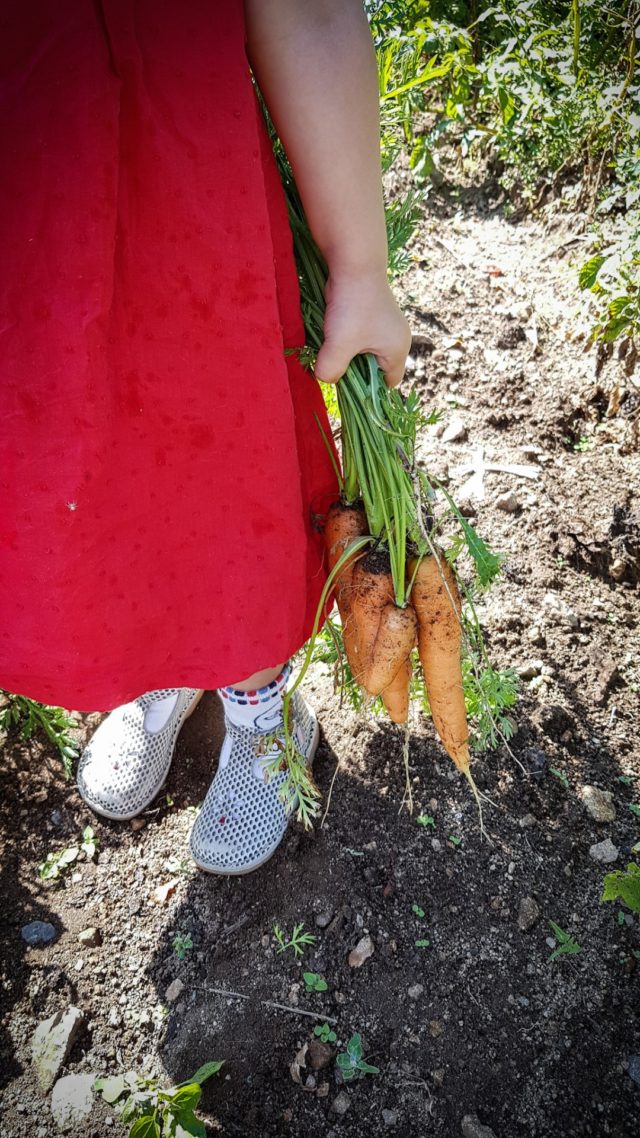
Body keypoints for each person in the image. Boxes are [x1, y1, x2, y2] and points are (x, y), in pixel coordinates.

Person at [0, 0, 410, 874]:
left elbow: (308, 11)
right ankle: (163, 664)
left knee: (220, 478)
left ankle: (261, 705)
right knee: (84, 496)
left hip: (191, 215)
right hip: (30, 241)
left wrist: (361, 268)